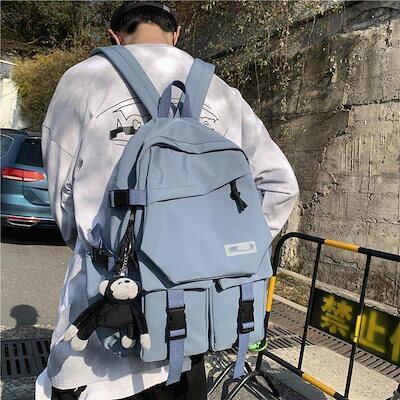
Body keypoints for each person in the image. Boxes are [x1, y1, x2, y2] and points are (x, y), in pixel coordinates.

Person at [36, 2, 299, 399]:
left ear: (114, 36)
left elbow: (63, 194)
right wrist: (226, 254)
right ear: (176, 34)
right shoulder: (221, 91)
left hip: (101, 318)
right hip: (188, 324)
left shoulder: (83, 79)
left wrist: (97, 254)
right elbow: (281, 184)